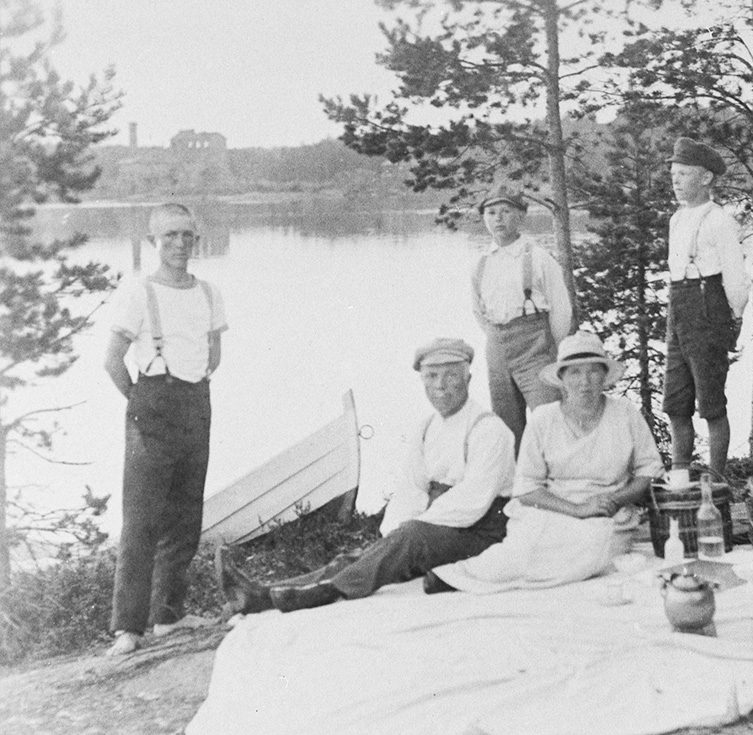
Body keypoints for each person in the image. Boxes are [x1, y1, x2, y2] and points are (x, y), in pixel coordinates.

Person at [216, 338, 515, 615]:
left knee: (411, 537)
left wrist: (409, 532)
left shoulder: (489, 430)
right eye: (431, 377)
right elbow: (410, 489)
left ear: (468, 379)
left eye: (451, 376)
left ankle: (326, 592)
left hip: (480, 534)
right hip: (439, 526)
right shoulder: (426, 428)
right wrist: (394, 535)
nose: (441, 386)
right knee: (366, 554)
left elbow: (471, 503)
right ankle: (263, 595)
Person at [426, 331, 664, 594]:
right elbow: (527, 488)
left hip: (606, 511)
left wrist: (616, 500)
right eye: (574, 373)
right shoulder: (543, 419)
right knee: (527, 545)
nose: (584, 382)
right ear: (561, 379)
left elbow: (647, 471)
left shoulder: (625, 414)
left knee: (595, 545)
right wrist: (576, 509)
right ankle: (457, 576)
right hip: (553, 507)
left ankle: (500, 580)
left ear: (604, 376)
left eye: (593, 372)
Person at [103, 203, 229, 656]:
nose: (180, 244)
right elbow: (112, 360)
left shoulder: (209, 292)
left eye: (187, 236)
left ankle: (167, 618)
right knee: (141, 520)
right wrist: (141, 404)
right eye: (170, 235)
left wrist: (189, 391)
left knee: (185, 515)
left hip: (197, 403)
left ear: (196, 239)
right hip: (152, 403)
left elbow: (213, 353)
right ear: (155, 240)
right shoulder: (139, 292)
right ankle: (127, 627)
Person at [663, 137, 750, 479]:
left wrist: (735, 317)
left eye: (683, 173)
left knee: (711, 402)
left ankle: (716, 478)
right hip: (680, 306)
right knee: (675, 400)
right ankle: (680, 475)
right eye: (674, 173)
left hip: (708, 305)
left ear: (705, 178)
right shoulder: (677, 219)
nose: (676, 180)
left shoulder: (720, 221)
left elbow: (735, 278)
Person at [471, 184, 573, 452]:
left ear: (521, 216)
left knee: (548, 416)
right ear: (484, 217)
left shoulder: (538, 257)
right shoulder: (481, 263)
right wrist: (498, 335)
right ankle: (516, 487)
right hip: (497, 347)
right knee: (506, 425)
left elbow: (561, 311)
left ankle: (558, 482)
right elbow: (478, 311)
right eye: (491, 212)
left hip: (535, 345)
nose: (498, 219)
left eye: (506, 211)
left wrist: (549, 346)